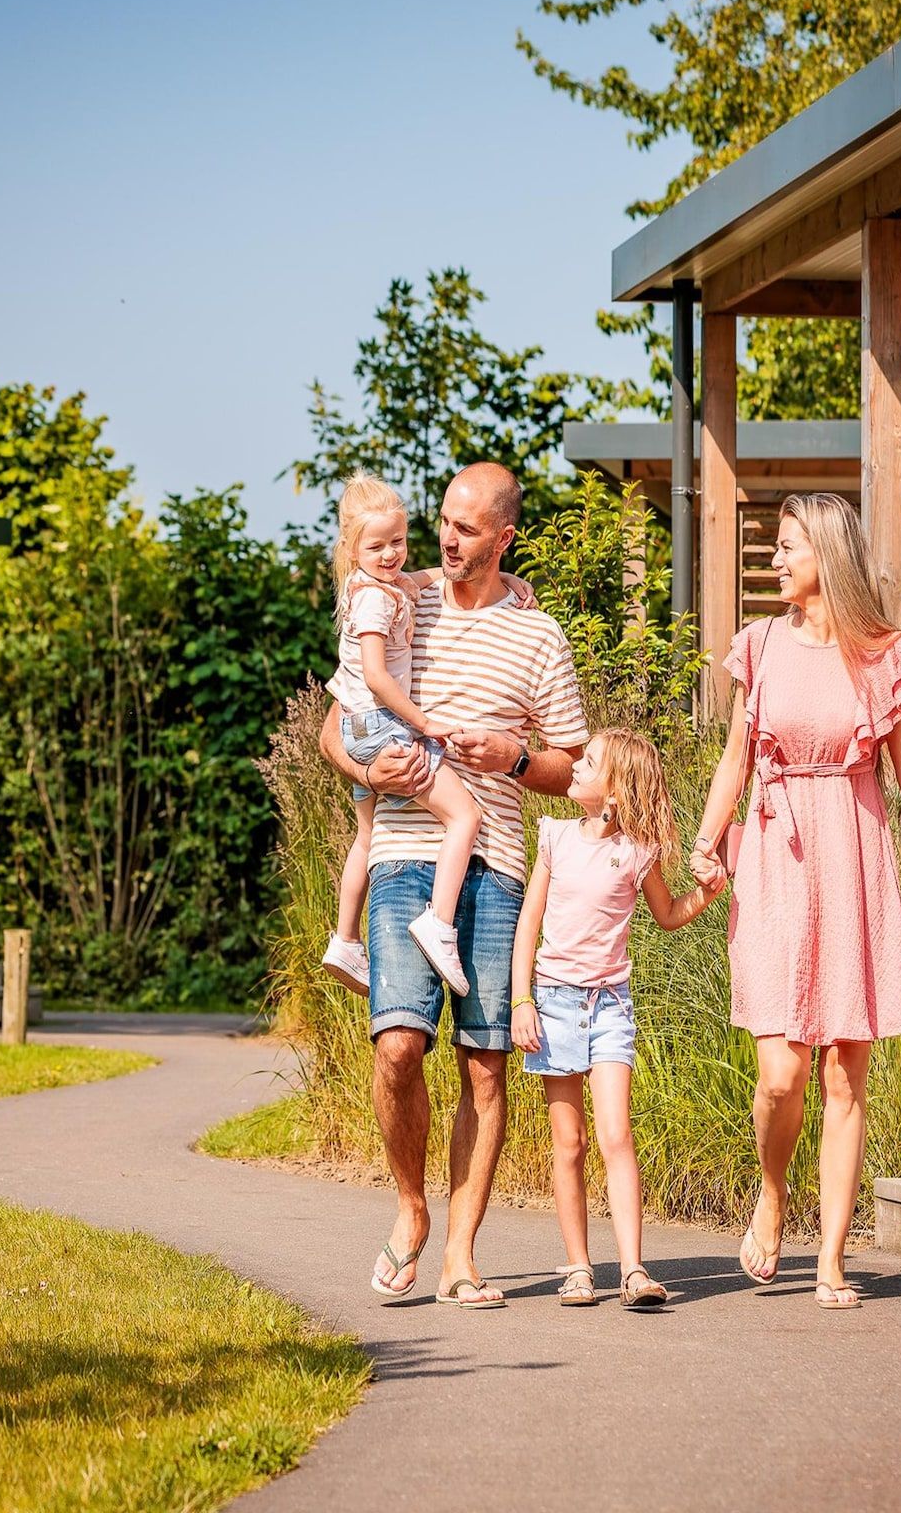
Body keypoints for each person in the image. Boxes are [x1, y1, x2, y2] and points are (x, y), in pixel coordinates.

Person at [689, 492, 901, 1310]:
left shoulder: (886, 655)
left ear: (827, 553)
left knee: (845, 1073)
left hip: (855, 854)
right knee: (781, 1076)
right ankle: (773, 1193)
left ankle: (832, 1258)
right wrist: (707, 842)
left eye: (787, 547)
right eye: (774, 548)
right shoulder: (760, 645)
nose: (774, 561)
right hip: (777, 855)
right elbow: (733, 762)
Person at [317, 461, 589, 1309]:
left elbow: (573, 767)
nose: (446, 539)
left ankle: (461, 1255)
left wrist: (512, 757)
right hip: (403, 849)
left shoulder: (539, 635)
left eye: (467, 529)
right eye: (443, 520)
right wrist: (373, 764)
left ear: (505, 537)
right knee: (398, 1048)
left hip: (500, 863)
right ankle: (410, 1207)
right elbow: (335, 728)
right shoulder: (403, 596)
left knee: (484, 1068)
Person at [509, 728, 723, 1309]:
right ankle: (579, 1268)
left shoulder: (635, 851)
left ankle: (632, 1269)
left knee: (616, 1135)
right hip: (552, 1003)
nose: (575, 765)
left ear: (615, 791)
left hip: (610, 1008)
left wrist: (709, 891)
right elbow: (528, 926)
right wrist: (521, 1002)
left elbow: (670, 914)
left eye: (590, 762)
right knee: (568, 1141)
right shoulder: (554, 838)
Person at [319, 474, 483, 999]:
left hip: (358, 729)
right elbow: (375, 675)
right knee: (466, 815)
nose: (392, 554)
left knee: (367, 837)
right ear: (350, 547)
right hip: (384, 725)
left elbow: (426, 577)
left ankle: (344, 939)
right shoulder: (376, 603)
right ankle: (438, 922)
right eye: (377, 545)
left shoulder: (370, 585)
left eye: (399, 541)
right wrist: (424, 721)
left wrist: (507, 582)